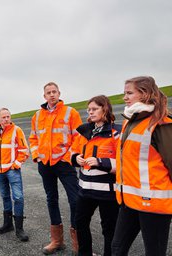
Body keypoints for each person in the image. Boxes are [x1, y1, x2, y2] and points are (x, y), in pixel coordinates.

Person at [111, 76, 172, 256]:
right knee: (117, 248)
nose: (125, 97)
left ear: (144, 94)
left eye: (129, 93)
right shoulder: (129, 121)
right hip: (129, 201)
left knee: (154, 252)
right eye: (124, 93)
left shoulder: (162, 123)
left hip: (154, 205)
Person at [29, 82, 82, 255]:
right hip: (45, 164)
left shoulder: (70, 112)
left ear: (59, 93)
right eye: (48, 92)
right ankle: (57, 241)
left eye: (54, 92)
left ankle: (78, 242)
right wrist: (37, 155)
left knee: (75, 200)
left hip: (65, 163)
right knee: (51, 199)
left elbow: (78, 138)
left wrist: (69, 157)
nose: (52, 95)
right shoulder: (37, 116)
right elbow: (33, 138)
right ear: (44, 96)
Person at [71, 95, 121, 256]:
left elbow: (124, 162)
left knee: (109, 229)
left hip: (108, 193)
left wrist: (101, 162)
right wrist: (75, 157)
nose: (90, 112)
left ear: (104, 109)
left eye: (94, 109)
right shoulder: (84, 132)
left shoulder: (117, 133)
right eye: (89, 110)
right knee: (80, 223)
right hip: (85, 191)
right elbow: (72, 151)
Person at [0, 107, 30, 242]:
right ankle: (8, 225)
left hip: (12, 170)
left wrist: (16, 164)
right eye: (3, 117)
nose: (6, 119)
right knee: (5, 197)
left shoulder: (16, 130)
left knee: (18, 198)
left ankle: (19, 229)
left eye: (8, 117)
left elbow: (24, 150)